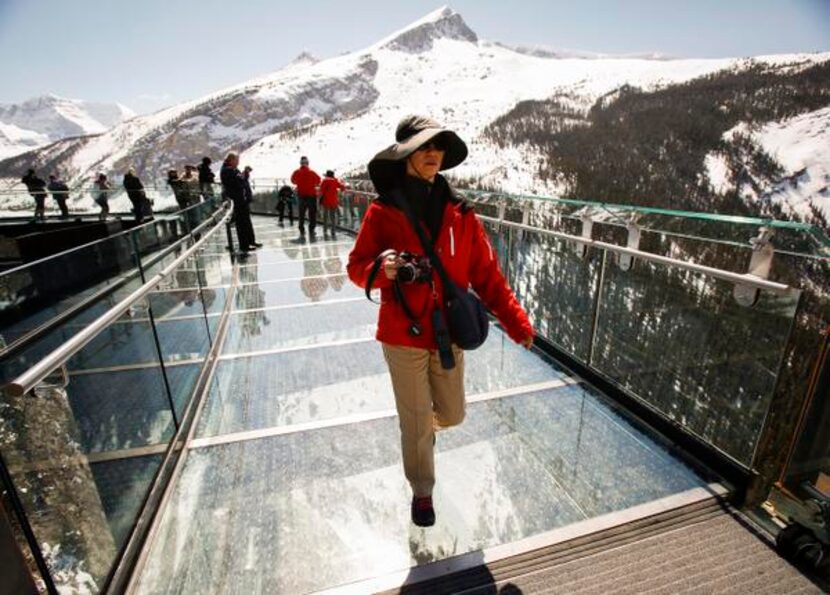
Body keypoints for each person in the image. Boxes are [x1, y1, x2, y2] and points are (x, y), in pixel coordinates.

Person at [347, 115, 534, 527]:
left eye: (438, 147)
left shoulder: (461, 214)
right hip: (401, 332)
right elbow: (357, 268)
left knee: (452, 415)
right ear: (406, 155)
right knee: (415, 422)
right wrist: (383, 268)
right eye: (423, 147)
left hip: (448, 332)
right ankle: (422, 491)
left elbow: (487, 276)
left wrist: (517, 322)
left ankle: (422, 428)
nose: (433, 154)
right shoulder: (383, 212)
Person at [220, 152, 261, 254]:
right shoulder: (227, 171)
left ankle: (251, 241)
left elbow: (241, 179)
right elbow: (238, 182)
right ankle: (244, 245)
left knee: (246, 221)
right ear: (231, 160)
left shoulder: (232, 170)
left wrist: (245, 174)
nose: (238, 163)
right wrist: (243, 176)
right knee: (241, 223)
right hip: (237, 201)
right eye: (237, 160)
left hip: (242, 200)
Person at [290, 156, 321, 239]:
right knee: (312, 214)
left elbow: (292, 180)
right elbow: (318, 180)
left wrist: (299, 183)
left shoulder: (296, 172)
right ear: (308, 163)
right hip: (311, 195)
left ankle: (302, 230)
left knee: (301, 214)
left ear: (300, 163)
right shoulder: (312, 172)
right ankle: (311, 229)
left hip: (301, 195)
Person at [319, 169, 345, 239]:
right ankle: (333, 231)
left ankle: (325, 230)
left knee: (325, 216)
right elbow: (342, 187)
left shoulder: (324, 181)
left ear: (327, 175)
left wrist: (319, 200)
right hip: (333, 201)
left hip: (326, 201)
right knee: (333, 217)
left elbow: (321, 191)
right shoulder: (335, 181)